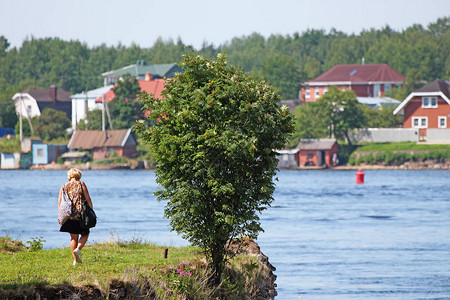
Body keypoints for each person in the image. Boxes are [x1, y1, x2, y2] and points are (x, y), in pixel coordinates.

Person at [58, 168, 93, 265]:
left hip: (69, 216)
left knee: (73, 238)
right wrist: (91, 211)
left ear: (69, 176)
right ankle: (78, 249)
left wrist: (60, 216)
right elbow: (88, 198)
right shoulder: (81, 184)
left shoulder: (64, 186)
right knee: (85, 234)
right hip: (81, 215)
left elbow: (60, 202)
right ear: (78, 175)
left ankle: (75, 261)